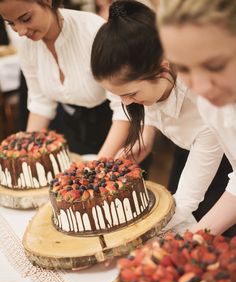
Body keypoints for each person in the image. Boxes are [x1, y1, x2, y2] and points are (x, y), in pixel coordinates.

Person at [90, 0, 229, 232]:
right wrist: (146, 134)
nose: (125, 103)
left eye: (131, 93)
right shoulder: (153, 83)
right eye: (119, 95)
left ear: (162, 68)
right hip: (189, 151)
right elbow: (154, 109)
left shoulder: (205, 102)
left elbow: (184, 201)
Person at [157, 0, 236, 235]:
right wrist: (192, 242)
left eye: (215, 65)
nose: (200, 87)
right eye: (184, 69)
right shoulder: (212, 105)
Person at [0, 0, 114, 156]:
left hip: (116, 130)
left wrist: (99, 164)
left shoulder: (93, 30)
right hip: (73, 130)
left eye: (25, 19)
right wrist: (25, 154)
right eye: (11, 23)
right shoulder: (27, 45)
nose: (20, 31)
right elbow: (41, 103)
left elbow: (123, 108)